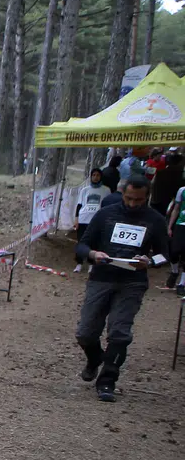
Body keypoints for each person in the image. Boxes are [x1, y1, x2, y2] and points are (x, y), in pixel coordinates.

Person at [75, 174, 171, 402]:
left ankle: (107, 381)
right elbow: (82, 245)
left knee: (119, 333)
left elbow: (165, 255)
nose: (133, 204)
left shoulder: (155, 220)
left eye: (138, 200)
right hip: (101, 278)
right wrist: (93, 254)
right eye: (129, 198)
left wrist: (150, 261)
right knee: (85, 333)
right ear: (123, 194)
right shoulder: (105, 214)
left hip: (132, 282)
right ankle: (95, 357)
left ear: (147, 198)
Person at [74, 169, 107, 273]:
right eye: (94, 175)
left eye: (98, 175)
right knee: (81, 241)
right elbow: (79, 205)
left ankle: (91, 263)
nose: (96, 177)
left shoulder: (106, 190)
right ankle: (79, 263)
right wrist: (76, 219)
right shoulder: (84, 190)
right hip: (83, 218)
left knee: (94, 242)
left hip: (96, 220)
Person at [150, 151, 183, 216]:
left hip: (159, 200)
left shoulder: (161, 172)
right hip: (166, 201)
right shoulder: (180, 174)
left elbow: (153, 184)